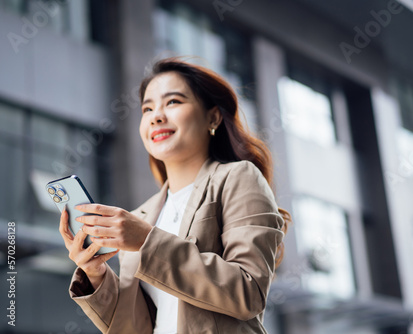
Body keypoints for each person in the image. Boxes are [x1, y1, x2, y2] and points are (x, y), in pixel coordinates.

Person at [59, 57, 291, 334]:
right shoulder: (142, 215)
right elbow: (134, 327)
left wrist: (147, 240)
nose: (156, 115)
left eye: (173, 102)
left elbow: (247, 292)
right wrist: (96, 275)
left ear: (213, 117)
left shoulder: (238, 177)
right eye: (147, 108)